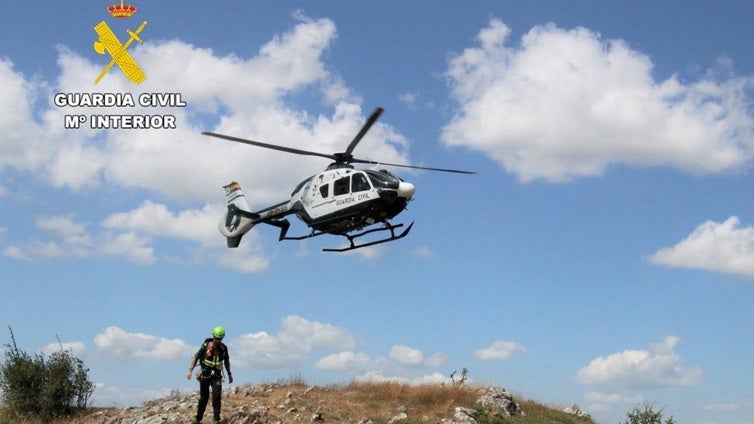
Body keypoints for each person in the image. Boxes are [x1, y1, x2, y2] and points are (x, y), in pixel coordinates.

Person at [187, 326, 233, 424]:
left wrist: (229, 374)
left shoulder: (224, 349)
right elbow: (196, 357)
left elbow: (227, 361)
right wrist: (190, 370)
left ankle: (216, 420)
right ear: (213, 336)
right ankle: (198, 419)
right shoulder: (205, 345)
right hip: (204, 375)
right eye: (216, 338)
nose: (217, 340)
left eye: (220, 338)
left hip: (216, 376)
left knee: (216, 397)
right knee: (204, 398)